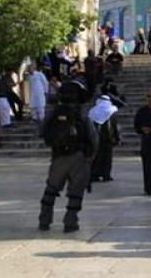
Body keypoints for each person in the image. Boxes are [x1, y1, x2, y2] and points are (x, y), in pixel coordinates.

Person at [38, 80, 97, 233]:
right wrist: (91, 155)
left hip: (58, 156)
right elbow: (93, 137)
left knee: (51, 189)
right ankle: (70, 222)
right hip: (79, 157)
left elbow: (42, 131)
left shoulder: (53, 113)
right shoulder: (81, 115)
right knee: (76, 192)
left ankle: (44, 220)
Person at [89, 95, 119, 182]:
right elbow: (114, 126)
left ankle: (95, 174)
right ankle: (106, 175)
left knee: (96, 156)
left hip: (96, 137)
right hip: (107, 138)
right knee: (107, 157)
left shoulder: (93, 111)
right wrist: (116, 137)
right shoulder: (112, 110)